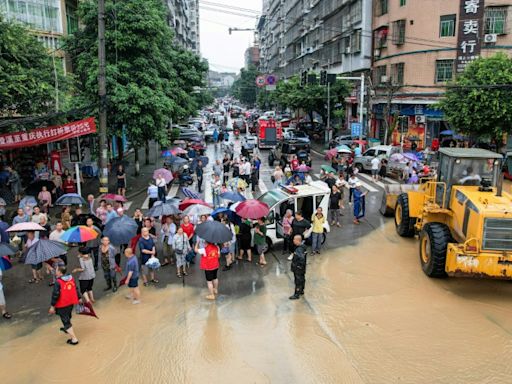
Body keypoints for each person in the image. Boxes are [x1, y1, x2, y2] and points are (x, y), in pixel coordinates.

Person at [48, 266, 80, 345]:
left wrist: (52, 306)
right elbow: (75, 288)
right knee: (68, 316)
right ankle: (67, 328)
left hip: (62, 304)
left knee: (65, 320)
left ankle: (74, 339)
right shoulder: (71, 278)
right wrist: (79, 297)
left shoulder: (58, 282)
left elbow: (55, 295)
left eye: (56, 270)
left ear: (59, 272)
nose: (55, 271)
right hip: (70, 302)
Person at [289, 234, 307, 300]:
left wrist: (298, 266)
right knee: (302, 279)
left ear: (298, 240)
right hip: (302, 268)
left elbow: (301, 258)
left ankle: (296, 294)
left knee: (298, 281)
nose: (293, 240)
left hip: (298, 269)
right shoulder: (303, 247)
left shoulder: (299, 249)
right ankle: (301, 290)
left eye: (294, 239)